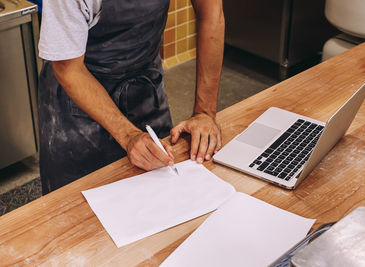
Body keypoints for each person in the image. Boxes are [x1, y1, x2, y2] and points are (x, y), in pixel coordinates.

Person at [38, 0, 225, 194]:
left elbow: (211, 13)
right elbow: (69, 69)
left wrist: (205, 113)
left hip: (144, 87)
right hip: (77, 103)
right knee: (77, 207)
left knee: (163, 193)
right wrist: (128, 135)